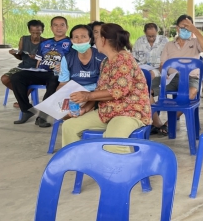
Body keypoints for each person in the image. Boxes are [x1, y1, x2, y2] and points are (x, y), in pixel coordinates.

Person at [61, 23, 151, 153]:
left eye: (96, 37)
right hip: (108, 110)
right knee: (69, 126)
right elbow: (100, 90)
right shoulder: (106, 61)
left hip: (129, 111)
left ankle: (127, 171)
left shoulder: (123, 58)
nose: (94, 40)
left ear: (103, 40)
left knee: (112, 143)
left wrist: (87, 96)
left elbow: (118, 91)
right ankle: (78, 162)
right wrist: (85, 109)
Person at [151, 14, 203, 134]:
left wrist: (195, 30)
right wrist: (165, 72)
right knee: (144, 90)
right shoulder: (169, 45)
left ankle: (169, 123)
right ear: (177, 28)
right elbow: (163, 64)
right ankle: (157, 123)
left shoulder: (195, 42)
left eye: (188, 26)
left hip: (190, 78)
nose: (186, 29)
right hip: (171, 78)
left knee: (191, 92)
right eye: (183, 26)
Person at [11, 16, 71, 128]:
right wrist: (37, 70)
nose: (58, 28)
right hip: (41, 71)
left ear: (66, 27)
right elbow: (39, 61)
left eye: (62, 25)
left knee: (54, 80)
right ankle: (27, 110)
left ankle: (42, 116)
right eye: (55, 25)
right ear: (51, 28)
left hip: (57, 73)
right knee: (16, 77)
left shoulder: (71, 43)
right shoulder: (45, 43)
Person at [1, 19, 45, 108]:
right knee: (5, 79)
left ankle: (22, 100)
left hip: (38, 68)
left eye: (38, 33)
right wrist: (15, 54)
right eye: (33, 33)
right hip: (23, 67)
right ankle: (23, 96)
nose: (36, 35)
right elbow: (20, 57)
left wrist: (37, 57)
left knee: (34, 80)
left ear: (42, 31)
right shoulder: (23, 39)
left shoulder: (45, 42)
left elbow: (49, 59)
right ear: (29, 31)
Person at [57, 25, 105, 92]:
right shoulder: (67, 59)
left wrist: (88, 96)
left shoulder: (102, 57)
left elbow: (105, 85)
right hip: (74, 92)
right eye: (76, 37)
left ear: (90, 39)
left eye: (83, 37)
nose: (79, 41)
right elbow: (63, 83)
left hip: (95, 92)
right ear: (71, 41)